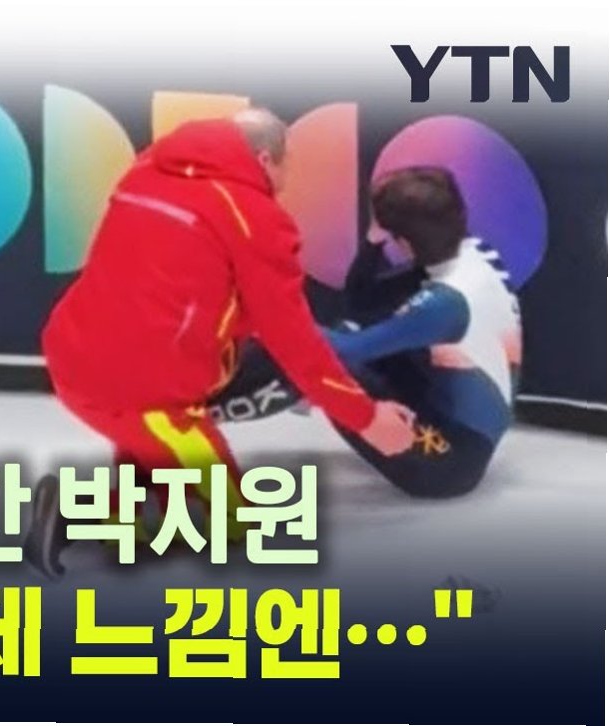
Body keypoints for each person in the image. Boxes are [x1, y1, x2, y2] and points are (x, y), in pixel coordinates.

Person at [25, 108, 415, 579]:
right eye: (287, 163)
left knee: (152, 460)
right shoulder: (255, 219)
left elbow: (191, 280)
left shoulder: (149, 168)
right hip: (145, 394)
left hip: (77, 354)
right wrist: (367, 418)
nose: (288, 178)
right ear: (265, 159)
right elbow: (294, 341)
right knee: (236, 520)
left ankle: (119, 518)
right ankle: (69, 516)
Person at [209, 166, 521, 498]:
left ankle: (192, 414)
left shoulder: (446, 303)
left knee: (318, 360)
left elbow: (342, 350)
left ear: (403, 242)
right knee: (340, 333)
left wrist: (261, 315)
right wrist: (374, 241)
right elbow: (360, 302)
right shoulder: (472, 254)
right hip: (447, 408)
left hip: (451, 463)